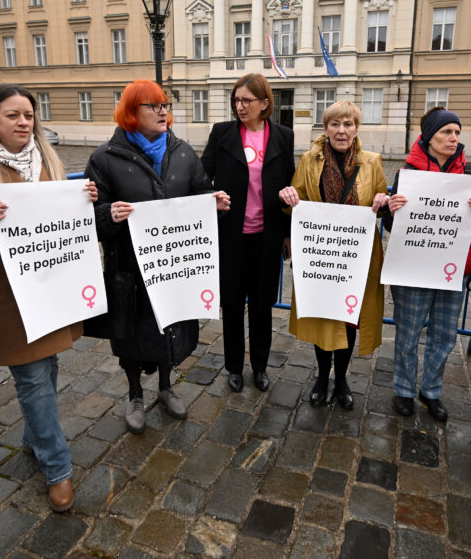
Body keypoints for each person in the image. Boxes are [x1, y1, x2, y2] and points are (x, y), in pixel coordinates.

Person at [0, 84, 94, 513]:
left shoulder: (50, 161)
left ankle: (34, 435)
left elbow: (63, 222)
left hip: (51, 287)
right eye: (13, 115)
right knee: (33, 379)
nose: (23, 122)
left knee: (46, 369)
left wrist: (82, 203)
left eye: (28, 115)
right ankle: (58, 468)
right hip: (5, 296)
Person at [85, 79, 230, 433]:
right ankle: (135, 394)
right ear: (132, 113)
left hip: (173, 266)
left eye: (165, 104)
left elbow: (199, 196)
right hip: (130, 269)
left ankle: (166, 387)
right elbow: (89, 218)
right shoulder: (104, 158)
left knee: (172, 327)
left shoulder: (182, 152)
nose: (163, 111)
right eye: (153, 105)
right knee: (131, 334)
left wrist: (216, 205)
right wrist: (109, 215)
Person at [278, 100, 387, 410]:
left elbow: (379, 207)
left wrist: (385, 199)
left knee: (349, 319)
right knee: (323, 315)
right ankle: (322, 377)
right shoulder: (309, 161)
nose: (342, 130)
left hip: (357, 256)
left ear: (356, 128)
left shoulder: (372, 162)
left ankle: (341, 379)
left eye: (348, 124)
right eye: (335, 124)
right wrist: (287, 195)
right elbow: (293, 204)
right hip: (321, 255)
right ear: (325, 129)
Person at [383, 108, 471, 420]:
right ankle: (403, 390)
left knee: (443, 334)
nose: (453, 138)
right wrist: (392, 209)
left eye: (457, 132)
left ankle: (431, 392)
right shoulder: (406, 174)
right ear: (429, 137)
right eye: (446, 132)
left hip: (453, 268)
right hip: (414, 266)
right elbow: (392, 226)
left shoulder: (468, 176)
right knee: (408, 333)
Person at [201, 73, 295, 393]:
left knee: (261, 305)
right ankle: (234, 367)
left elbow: (288, 185)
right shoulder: (222, 133)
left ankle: (259, 367)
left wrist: (287, 234)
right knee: (231, 303)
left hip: (266, 237)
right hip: (231, 236)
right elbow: (202, 177)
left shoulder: (283, 136)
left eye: (247, 100)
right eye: (236, 100)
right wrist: (210, 197)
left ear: (265, 104)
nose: (240, 106)